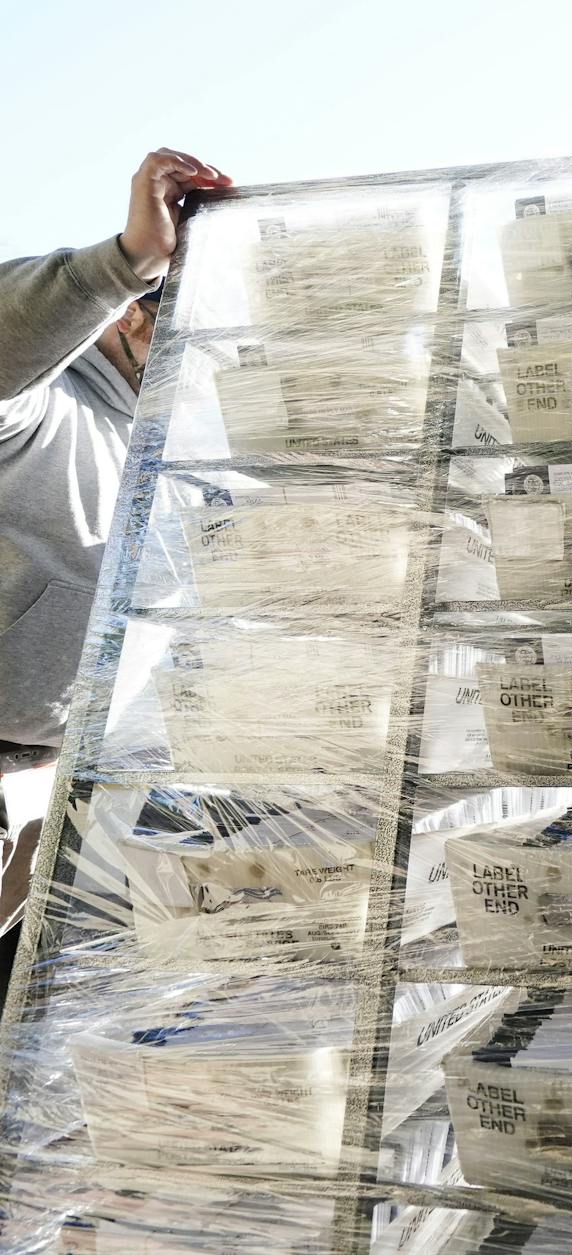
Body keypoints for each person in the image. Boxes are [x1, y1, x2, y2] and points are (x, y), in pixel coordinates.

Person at [0, 149, 231, 997]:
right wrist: (128, 260)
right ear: (135, 319)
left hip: (43, 781)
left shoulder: (165, 453)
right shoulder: (40, 407)